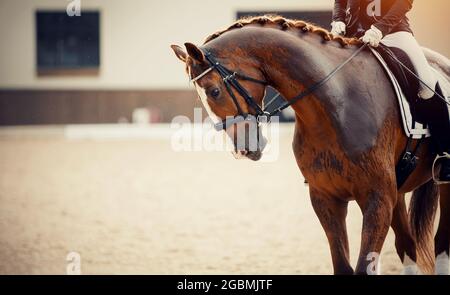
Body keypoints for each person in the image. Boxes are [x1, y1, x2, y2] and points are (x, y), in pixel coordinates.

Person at [331, 0, 450, 182]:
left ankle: (446, 152)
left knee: (426, 84)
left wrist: (380, 28)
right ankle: (324, 154)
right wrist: (338, 19)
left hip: (395, 32)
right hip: (354, 33)